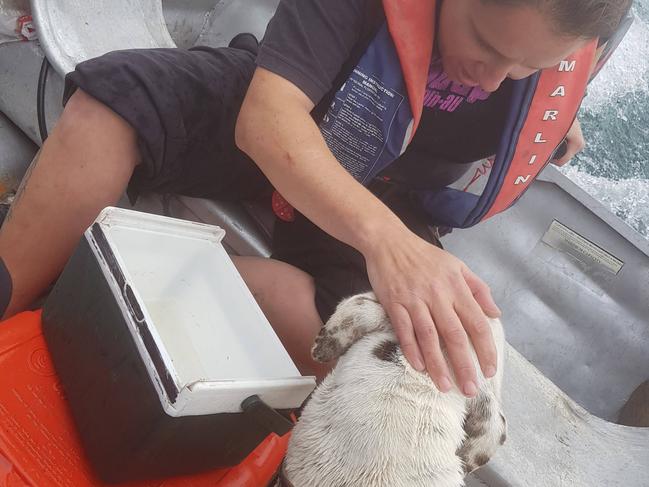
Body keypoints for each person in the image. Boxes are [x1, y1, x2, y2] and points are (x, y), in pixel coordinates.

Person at [0, 0, 631, 395]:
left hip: (391, 185)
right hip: (288, 111)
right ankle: (15, 298)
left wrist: (553, 112)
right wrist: (387, 245)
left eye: (523, 69)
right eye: (487, 46)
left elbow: (548, 84)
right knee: (120, 101)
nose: (493, 78)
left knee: (375, 355)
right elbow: (266, 118)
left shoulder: (570, 36)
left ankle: (101, 287)